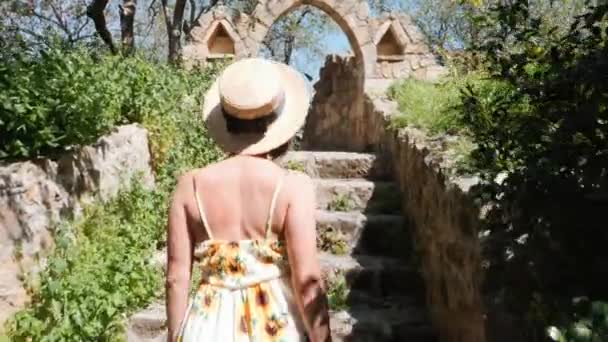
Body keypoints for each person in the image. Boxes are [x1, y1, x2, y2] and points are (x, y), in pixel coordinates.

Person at [165, 58, 331, 342]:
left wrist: (174, 337)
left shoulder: (189, 186)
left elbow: (176, 279)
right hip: (274, 326)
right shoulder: (292, 187)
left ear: (225, 120)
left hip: (206, 327)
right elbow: (307, 281)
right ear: (277, 120)